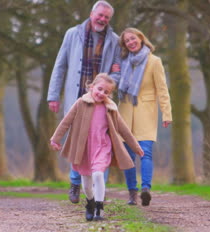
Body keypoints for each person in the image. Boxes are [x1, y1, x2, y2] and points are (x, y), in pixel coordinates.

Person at [47, 0, 121, 204]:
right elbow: (60, 65)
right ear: (91, 13)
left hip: (101, 101)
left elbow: (117, 71)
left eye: (107, 17)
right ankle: (75, 183)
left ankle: (99, 191)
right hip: (77, 98)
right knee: (77, 140)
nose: (103, 19)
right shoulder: (73, 34)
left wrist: (115, 80)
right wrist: (53, 95)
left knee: (101, 142)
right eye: (100, 15)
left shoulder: (114, 40)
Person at [50, 73, 144, 221]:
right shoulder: (81, 103)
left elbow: (123, 128)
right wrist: (56, 139)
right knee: (87, 185)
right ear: (92, 87)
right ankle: (90, 202)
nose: (101, 93)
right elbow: (66, 121)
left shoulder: (110, 108)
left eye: (106, 92)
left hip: (102, 146)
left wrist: (136, 146)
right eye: (99, 89)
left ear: (110, 94)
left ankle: (99, 209)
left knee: (98, 175)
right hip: (84, 149)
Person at [117, 28, 172, 206]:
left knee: (145, 152)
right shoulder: (122, 62)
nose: (131, 42)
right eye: (127, 41)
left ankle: (145, 189)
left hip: (146, 112)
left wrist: (166, 113)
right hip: (124, 113)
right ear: (124, 45)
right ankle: (132, 193)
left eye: (133, 38)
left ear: (141, 38)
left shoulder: (154, 61)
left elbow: (162, 90)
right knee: (127, 156)